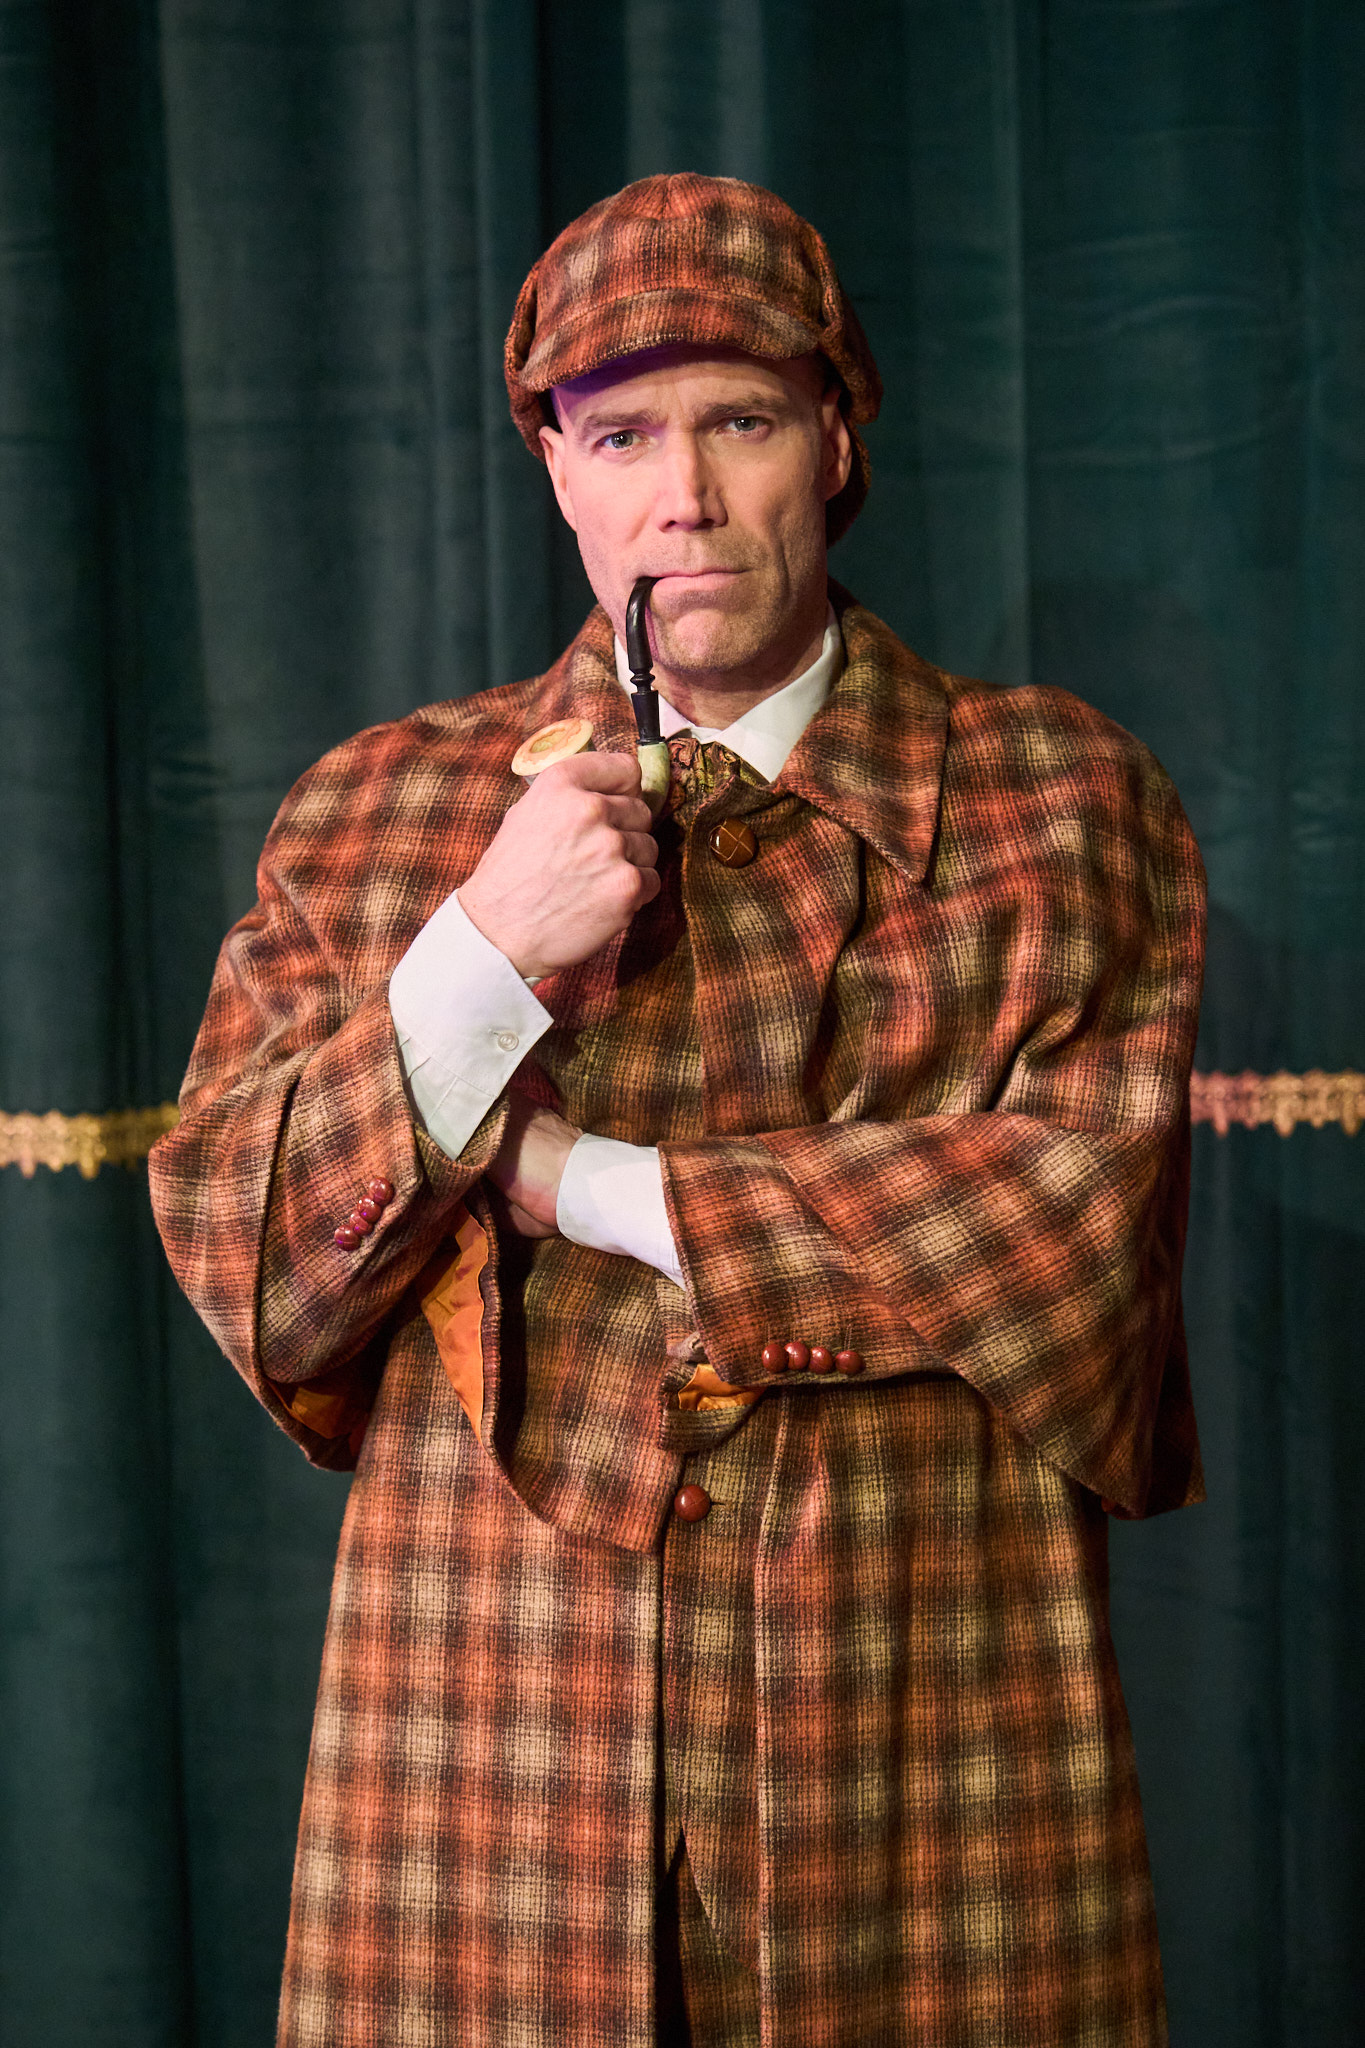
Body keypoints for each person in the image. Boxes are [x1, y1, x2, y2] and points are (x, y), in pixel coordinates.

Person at [150, 173, 1206, 2048]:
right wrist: (482, 954)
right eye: (623, 435)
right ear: (556, 469)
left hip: (926, 1758)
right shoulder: (381, 812)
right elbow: (253, 1264)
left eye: (742, 422)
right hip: (488, 1777)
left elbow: (1070, 1240)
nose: (684, 497)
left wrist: (582, 1180)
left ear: (837, 439)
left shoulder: (1052, 802)